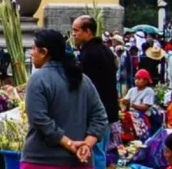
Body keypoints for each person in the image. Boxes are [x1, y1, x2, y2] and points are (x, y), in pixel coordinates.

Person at [22, 29, 108, 169]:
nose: (32, 53)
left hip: (43, 161)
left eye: (33, 48)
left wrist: (69, 144)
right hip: (80, 162)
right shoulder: (83, 79)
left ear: (44, 52)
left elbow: (39, 119)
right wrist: (86, 145)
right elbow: (100, 117)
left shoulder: (38, 79)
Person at [72, 15, 118, 169]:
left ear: (88, 32)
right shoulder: (105, 50)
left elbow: (87, 86)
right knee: (100, 151)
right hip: (107, 109)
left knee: (95, 151)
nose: (73, 34)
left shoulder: (90, 54)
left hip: (96, 112)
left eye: (76, 30)